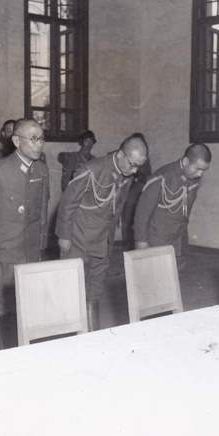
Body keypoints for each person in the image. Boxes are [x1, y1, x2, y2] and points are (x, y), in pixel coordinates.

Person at [56, 135, 148, 331]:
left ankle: (92, 333)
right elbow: (67, 204)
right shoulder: (91, 170)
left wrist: (110, 238)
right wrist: (64, 236)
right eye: (132, 164)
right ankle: (68, 334)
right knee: (72, 287)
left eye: (138, 167)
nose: (135, 171)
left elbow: (118, 205)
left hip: (102, 238)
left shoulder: (126, 173)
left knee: (95, 288)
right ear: (121, 155)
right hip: (78, 237)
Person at [0, 118, 49, 350]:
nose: (39, 144)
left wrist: (39, 248)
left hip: (27, 252)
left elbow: (41, 212)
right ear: (16, 141)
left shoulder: (41, 170)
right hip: (1, 254)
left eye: (41, 138)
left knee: (23, 305)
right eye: (33, 139)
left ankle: (18, 353)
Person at [134, 143, 211, 259]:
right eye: (198, 169)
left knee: (178, 269)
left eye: (204, 170)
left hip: (178, 239)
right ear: (185, 161)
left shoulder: (194, 179)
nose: (200, 174)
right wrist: (141, 241)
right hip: (157, 240)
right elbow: (142, 213)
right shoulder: (162, 177)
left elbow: (185, 211)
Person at [120, 133, 152, 249]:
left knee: (134, 218)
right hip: (127, 188)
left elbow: (146, 175)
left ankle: (132, 244)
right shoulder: (127, 156)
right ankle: (127, 244)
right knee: (125, 217)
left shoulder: (144, 159)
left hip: (137, 189)